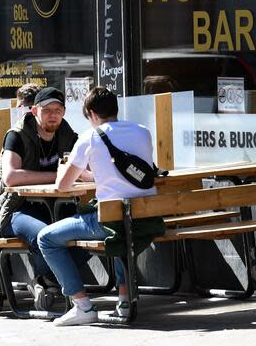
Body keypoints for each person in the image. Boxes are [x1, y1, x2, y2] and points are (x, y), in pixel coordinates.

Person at [37, 87, 165, 326]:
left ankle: (82, 305)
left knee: (46, 238)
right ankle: (124, 300)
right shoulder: (143, 132)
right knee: (120, 230)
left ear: (92, 114)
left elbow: (63, 186)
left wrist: (67, 170)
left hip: (110, 220)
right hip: (145, 218)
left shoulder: (91, 137)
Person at [0, 87, 81, 311]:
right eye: (47, 110)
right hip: (13, 208)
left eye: (58, 110)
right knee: (42, 234)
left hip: (54, 207)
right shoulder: (17, 135)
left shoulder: (67, 134)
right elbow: (11, 177)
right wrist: (57, 176)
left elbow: (82, 167)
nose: (53, 115)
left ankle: (46, 280)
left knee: (87, 231)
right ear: (35, 110)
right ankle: (50, 280)